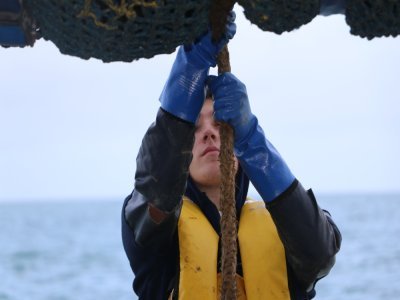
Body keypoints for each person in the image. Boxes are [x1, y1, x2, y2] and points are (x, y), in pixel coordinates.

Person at [121, 12, 341, 300]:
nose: (210, 134)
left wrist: (252, 139)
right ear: (180, 153)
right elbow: (157, 188)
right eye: (194, 128)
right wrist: (191, 68)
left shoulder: (287, 226)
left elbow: (319, 253)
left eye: (220, 125)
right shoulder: (150, 223)